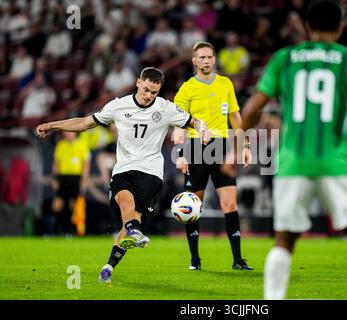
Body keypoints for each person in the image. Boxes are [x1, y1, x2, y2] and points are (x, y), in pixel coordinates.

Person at [231, 0, 347, 299]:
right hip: (337, 162)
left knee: (284, 241)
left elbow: (253, 108)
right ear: (341, 27)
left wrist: (235, 146)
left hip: (293, 162)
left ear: (306, 27)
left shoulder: (284, 58)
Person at [36, 67, 211, 283]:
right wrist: (52, 125)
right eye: (146, 89)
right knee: (125, 201)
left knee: (129, 222)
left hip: (150, 171)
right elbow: (84, 123)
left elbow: (195, 121)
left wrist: (204, 129)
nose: (149, 96)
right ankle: (133, 234)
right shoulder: (118, 106)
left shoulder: (166, 109)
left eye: (154, 92)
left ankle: (110, 264)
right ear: (138, 82)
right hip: (124, 168)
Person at [172, 41, 253, 271]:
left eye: (210, 57)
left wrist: (245, 145)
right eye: (202, 58)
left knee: (229, 204)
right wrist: (180, 154)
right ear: (194, 61)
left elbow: (236, 118)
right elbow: (178, 125)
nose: (206, 61)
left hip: (222, 146)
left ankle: (238, 260)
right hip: (195, 147)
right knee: (192, 206)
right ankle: (195, 260)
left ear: (214, 59)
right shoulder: (187, 88)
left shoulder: (225, 84)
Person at [51, 131, 90, 235]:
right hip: (63, 177)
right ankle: (58, 228)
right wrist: (55, 178)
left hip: (76, 177)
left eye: (70, 132)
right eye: (66, 132)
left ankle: (71, 230)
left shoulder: (82, 145)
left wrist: (84, 179)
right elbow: (56, 163)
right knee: (58, 204)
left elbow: (85, 164)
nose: (67, 134)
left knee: (73, 204)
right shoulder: (61, 145)